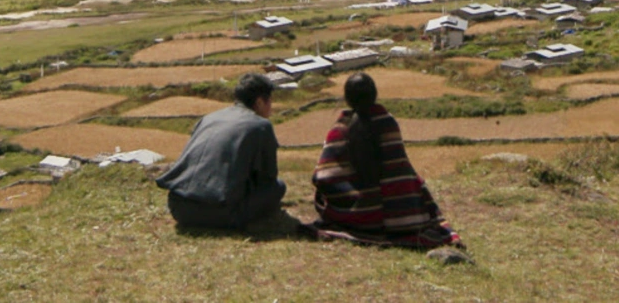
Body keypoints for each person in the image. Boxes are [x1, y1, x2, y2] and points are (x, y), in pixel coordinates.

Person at [306, 71, 459, 249]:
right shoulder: (388, 123)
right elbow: (401, 169)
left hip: (352, 216)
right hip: (399, 220)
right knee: (417, 183)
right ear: (374, 95)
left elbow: (322, 176)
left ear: (347, 98)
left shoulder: (339, 130)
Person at [155, 72, 286, 230]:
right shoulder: (261, 126)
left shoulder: (209, 118)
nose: (271, 107)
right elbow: (268, 178)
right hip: (220, 213)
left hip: (178, 207)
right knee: (278, 187)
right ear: (259, 102)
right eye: (270, 101)